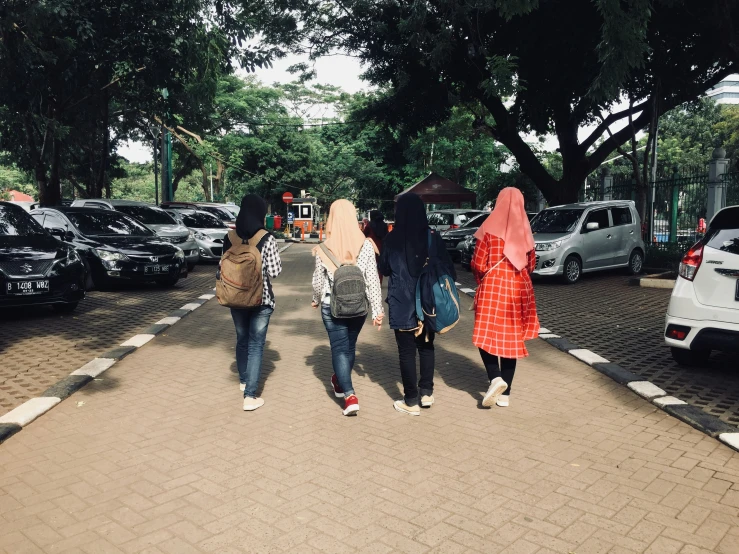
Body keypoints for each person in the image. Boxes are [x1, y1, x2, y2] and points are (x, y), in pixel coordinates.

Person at [380, 193, 455, 416]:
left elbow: (384, 269)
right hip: (428, 301)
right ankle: (426, 393)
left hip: (401, 301)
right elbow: (448, 269)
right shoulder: (433, 237)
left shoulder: (391, 240)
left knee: (406, 351)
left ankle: (410, 400)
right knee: (426, 346)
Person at [312, 199, 384, 416]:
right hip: (358, 307)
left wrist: (315, 298)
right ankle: (339, 380)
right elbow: (372, 279)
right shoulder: (366, 245)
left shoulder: (325, 247)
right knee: (349, 346)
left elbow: (318, 280)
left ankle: (350, 395)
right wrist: (377, 310)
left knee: (339, 348)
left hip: (331, 306)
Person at [471, 187, 539, 408]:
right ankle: (506, 394)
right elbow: (531, 265)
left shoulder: (488, 229)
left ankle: (495, 377)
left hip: (493, 286)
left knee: (484, 335)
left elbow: (479, 263)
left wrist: (480, 277)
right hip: (520, 287)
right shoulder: (525, 230)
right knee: (512, 338)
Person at [223, 194, 282, 411]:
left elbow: (222, 267)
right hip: (261, 299)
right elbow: (275, 272)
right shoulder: (266, 238)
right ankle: (250, 396)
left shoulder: (229, 237)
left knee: (242, 339)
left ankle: (243, 380)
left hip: (235, 298)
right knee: (256, 345)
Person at [363, 209, 388, 284]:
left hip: (371, 247)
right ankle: (379, 282)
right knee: (380, 265)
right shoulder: (384, 225)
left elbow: (364, 234)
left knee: (371, 265)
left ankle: (372, 282)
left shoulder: (370, 225)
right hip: (382, 247)